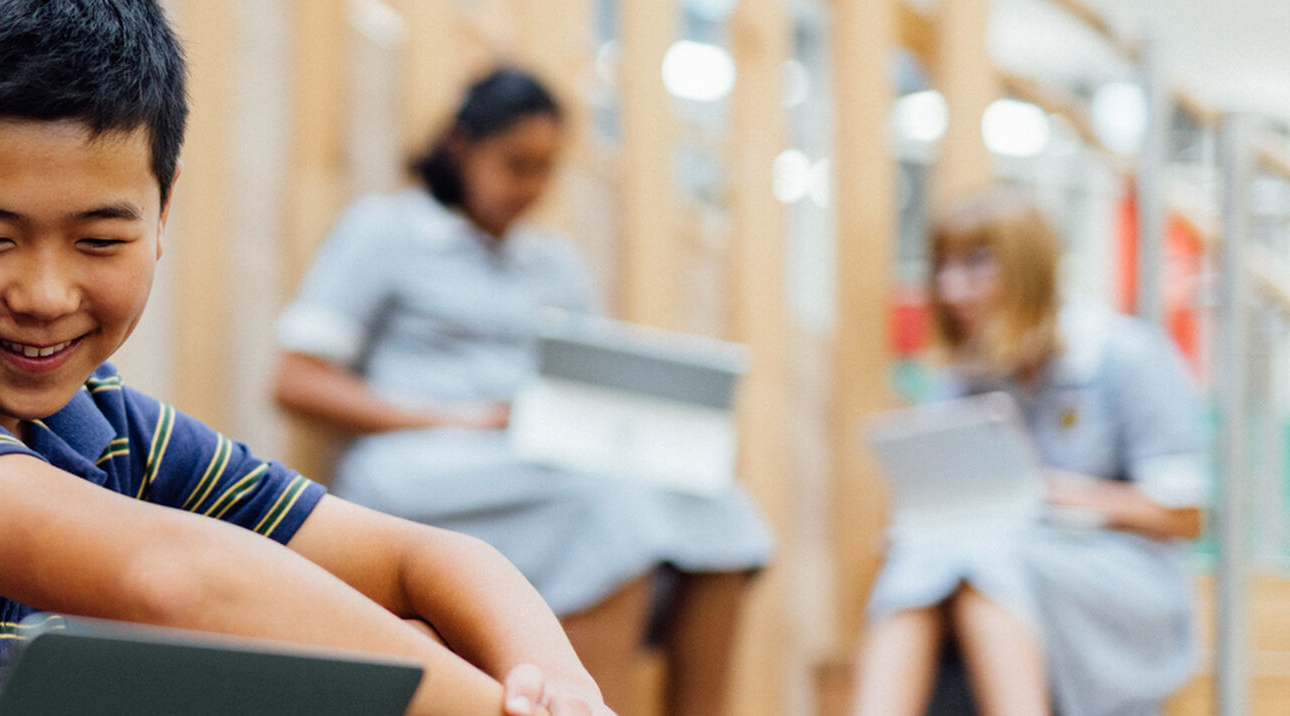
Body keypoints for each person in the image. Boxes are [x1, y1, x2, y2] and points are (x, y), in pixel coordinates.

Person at [0, 2, 607, 715]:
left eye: (99, 241)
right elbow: (174, 576)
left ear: (162, 214)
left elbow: (430, 557)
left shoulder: (98, 422)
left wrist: (557, 692)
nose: (45, 293)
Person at [269, 67, 774, 716]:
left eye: (544, 169)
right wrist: (451, 418)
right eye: (514, 164)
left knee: (722, 507)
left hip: (535, 459)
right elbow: (296, 380)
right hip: (418, 462)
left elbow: (583, 384)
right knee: (606, 509)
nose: (530, 187)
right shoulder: (385, 233)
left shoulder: (554, 263)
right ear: (460, 147)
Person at [848, 189, 1204, 716]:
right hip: (996, 558)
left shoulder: (1125, 355)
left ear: (1028, 270)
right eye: (943, 268)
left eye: (975, 266)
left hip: (1120, 577)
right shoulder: (961, 378)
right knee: (919, 562)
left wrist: (1047, 494)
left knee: (984, 568)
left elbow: (1183, 514)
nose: (951, 289)